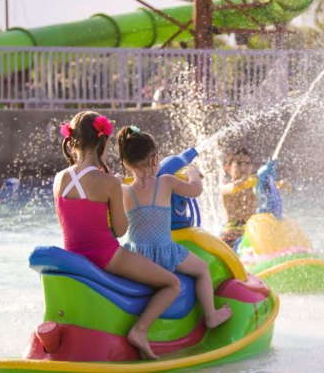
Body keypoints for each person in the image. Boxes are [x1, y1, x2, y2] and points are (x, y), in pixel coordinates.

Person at [52, 111, 180, 360]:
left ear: (73, 140)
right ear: (105, 142)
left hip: (73, 256)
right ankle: (140, 331)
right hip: (105, 256)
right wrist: (117, 192)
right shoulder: (109, 182)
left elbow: (68, 224)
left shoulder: (59, 179)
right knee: (171, 283)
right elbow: (120, 231)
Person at [116, 125, 232, 329]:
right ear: (154, 160)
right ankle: (211, 316)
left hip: (136, 255)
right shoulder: (166, 182)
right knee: (203, 270)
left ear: (126, 164)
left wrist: (115, 181)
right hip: (164, 253)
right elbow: (195, 190)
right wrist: (192, 172)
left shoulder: (123, 190)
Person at [219, 147, 258, 249]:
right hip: (232, 235)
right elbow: (231, 188)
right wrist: (242, 183)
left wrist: (280, 185)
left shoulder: (255, 186)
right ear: (228, 168)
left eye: (247, 163)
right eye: (239, 163)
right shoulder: (225, 187)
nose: (243, 167)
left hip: (253, 232)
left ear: (252, 167)